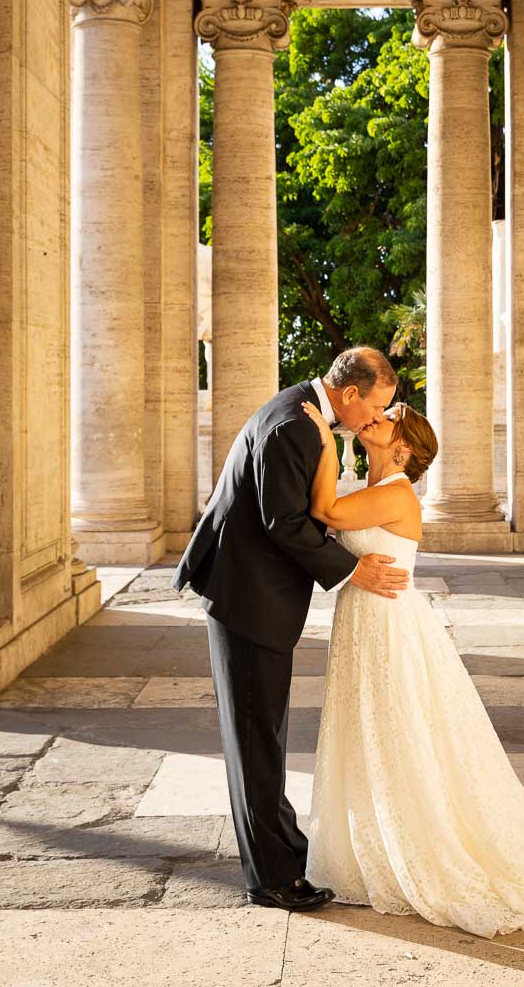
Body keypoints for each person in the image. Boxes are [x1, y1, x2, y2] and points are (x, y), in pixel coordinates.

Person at [300, 398, 524, 938]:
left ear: (402, 447)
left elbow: (327, 514)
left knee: (396, 732)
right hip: (366, 621)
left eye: (388, 420)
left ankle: (416, 844)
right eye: (377, 415)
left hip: (387, 627)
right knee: (370, 730)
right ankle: (374, 843)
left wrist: (328, 443)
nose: (374, 419)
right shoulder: (375, 492)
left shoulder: (395, 494)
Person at [171, 347, 410, 913]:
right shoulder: (293, 427)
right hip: (249, 598)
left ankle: (281, 858)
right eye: (374, 407)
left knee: (262, 736)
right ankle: (273, 878)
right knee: (257, 741)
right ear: (349, 395)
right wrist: (352, 569)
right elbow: (285, 523)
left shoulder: (303, 415)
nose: (375, 419)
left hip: (252, 593)